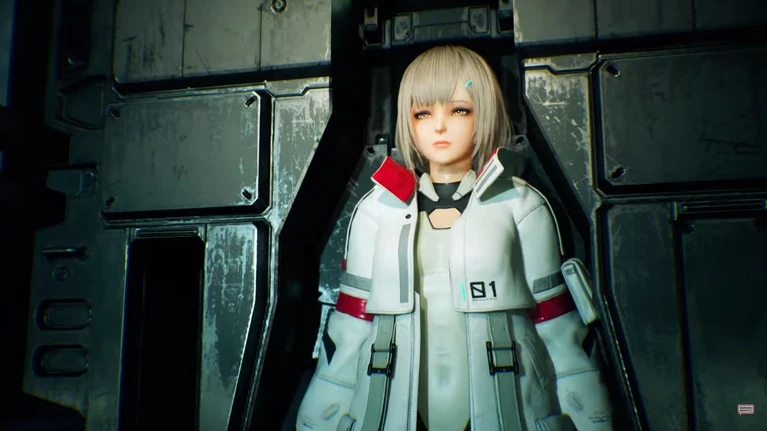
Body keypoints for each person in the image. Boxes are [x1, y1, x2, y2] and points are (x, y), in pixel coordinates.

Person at [296, 45, 613, 431]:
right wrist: (321, 414)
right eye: (423, 113)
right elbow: (349, 332)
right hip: (388, 408)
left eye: (459, 110)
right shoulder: (377, 209)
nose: (440, 126)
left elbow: (558, 329)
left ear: (484, 112)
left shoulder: (520, 204)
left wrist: (588, 413)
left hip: (508, 410)